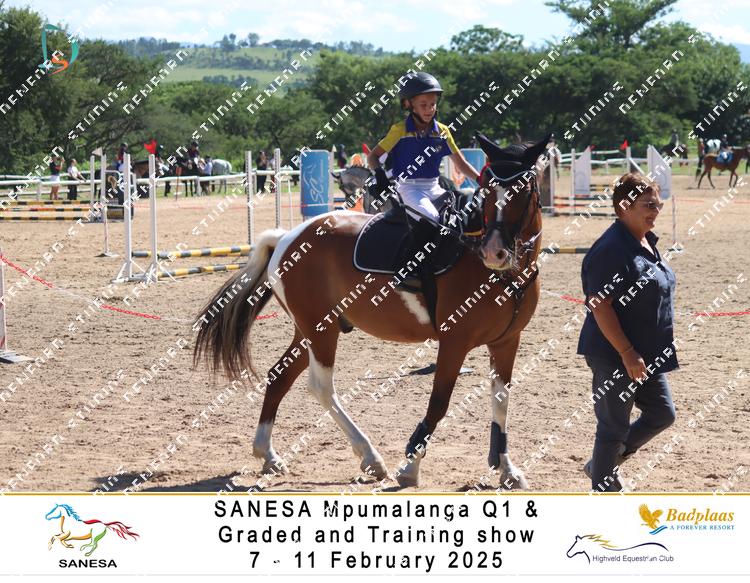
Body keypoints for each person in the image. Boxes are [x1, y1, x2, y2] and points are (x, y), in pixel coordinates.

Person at [577, 173, 678, 492]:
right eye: (649, 205)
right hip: (615, 353)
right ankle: (603, 488)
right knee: (613, 427)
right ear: (624, 207)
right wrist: (626, 352)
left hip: (646, 353)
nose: (656, 210)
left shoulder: (646, 241)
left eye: (658, 204)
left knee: (662, 414)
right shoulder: (611, 249)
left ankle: (602, 464)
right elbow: (600, 306)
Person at [365, 72, 480, 289]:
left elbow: (462, 164)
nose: (429, 109)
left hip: (435, 187)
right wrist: (379, 174)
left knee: (467, 209)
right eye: (424, 105)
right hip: (408, 187)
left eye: (433, 104)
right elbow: (373, 157)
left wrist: (483, 179)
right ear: (409, 105)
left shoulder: (443, 131)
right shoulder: (399, 130)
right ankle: (406, 269)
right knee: (432, 217)